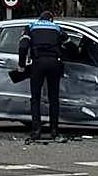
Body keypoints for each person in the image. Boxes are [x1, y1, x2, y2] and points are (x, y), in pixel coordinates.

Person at [18, 10, 68, 141]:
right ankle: (54, 131)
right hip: (54, 63)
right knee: (53, 98)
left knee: (35, 98)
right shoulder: (57, 28)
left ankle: (36, 131)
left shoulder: (30, 26)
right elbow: (69, 44)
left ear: (40, 18)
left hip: (37, 63)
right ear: (51, 19)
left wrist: (21, 65)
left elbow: (23, 46)